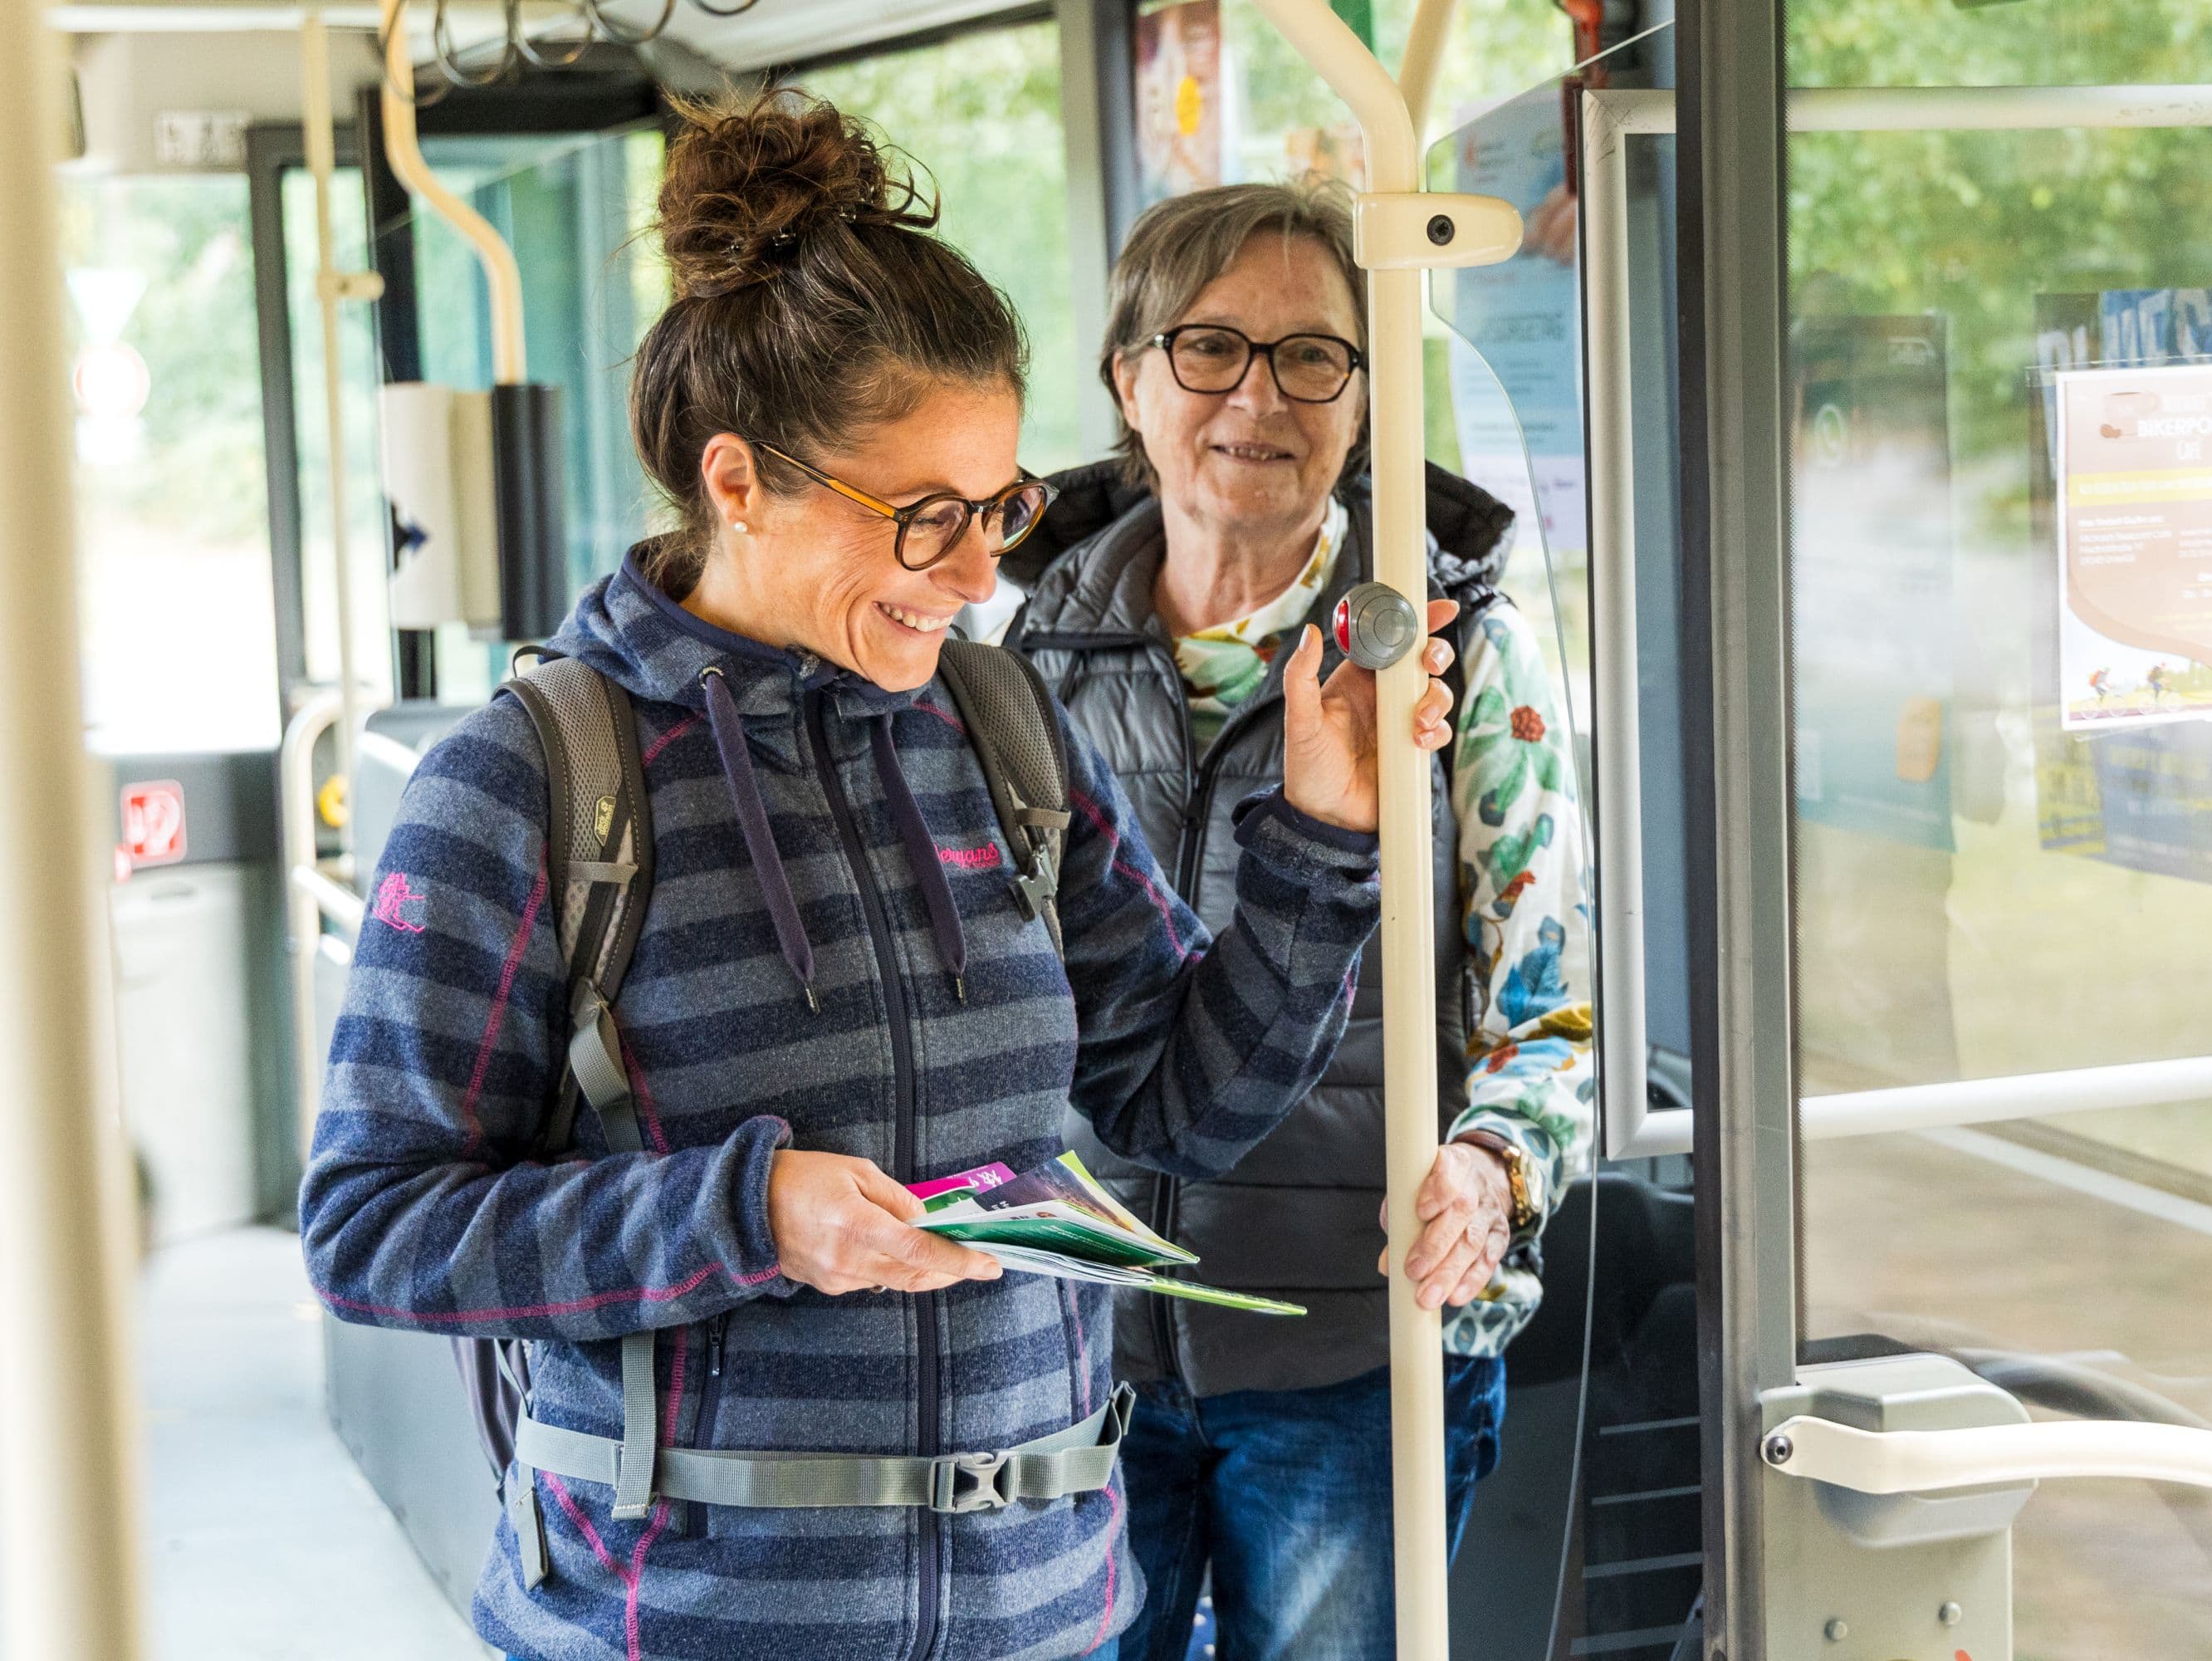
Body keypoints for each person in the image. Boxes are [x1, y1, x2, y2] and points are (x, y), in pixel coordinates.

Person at [298, 95, 1460, 1661]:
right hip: (688, 1627)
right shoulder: (529, 782)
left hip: (1044, 1614)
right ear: (737, 483)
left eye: (999, 509)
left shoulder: (997, 726)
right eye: (925, 520)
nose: (980, 575)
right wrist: (745, 1215)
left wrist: (1324, 842)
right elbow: (372, 1228)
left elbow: (1187, 1103)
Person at [1001, 181, 1596, 1661]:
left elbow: (1555, 1012)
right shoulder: (1019, 661)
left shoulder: (1460, 657)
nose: (1258, 397)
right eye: (1210, 347)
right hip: (1075, 1351)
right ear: (1130, 380)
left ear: (1367, 395)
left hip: (1354, 1353)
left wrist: (1495, 1166)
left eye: (1313, 355)